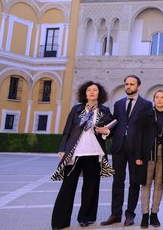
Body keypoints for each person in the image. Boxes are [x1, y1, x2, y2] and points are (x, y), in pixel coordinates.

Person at [51, 81, 115, 230]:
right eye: (89, 90)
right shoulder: (76, 109)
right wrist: (62, 149)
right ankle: (60, 221)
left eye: (95, 90)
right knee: (67, 186)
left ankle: (86, 217)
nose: (92, 92)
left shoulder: (104, 110)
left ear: (99, 94)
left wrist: (106, 132)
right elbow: (67, 131)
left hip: (94, 152)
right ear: (84, 93)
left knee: (91, 187)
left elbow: (111, 128)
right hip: (75, 153)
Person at [101, 75, 153, 227]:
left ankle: (130, 215)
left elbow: (147, 129)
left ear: (138, 86)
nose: (128, 86)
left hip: (136, 150)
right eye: (126, 84)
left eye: (131, 84)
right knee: (117, 181)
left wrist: (144, 151)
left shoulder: (146, 105)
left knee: (134, 182)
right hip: (119, 147)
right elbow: (115, 124)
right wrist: (106, 131)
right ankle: (115, 214)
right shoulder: (118, 104)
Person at [135, 89, 163, 229]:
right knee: (146, 184)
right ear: (154, 100)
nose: (159, 99)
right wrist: (138, 156)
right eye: (157, 97)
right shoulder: (146, 116)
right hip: (147, 153)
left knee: (159, 184)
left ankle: (154, 214)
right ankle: (145, 215)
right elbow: (139, 136)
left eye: (162, 97)